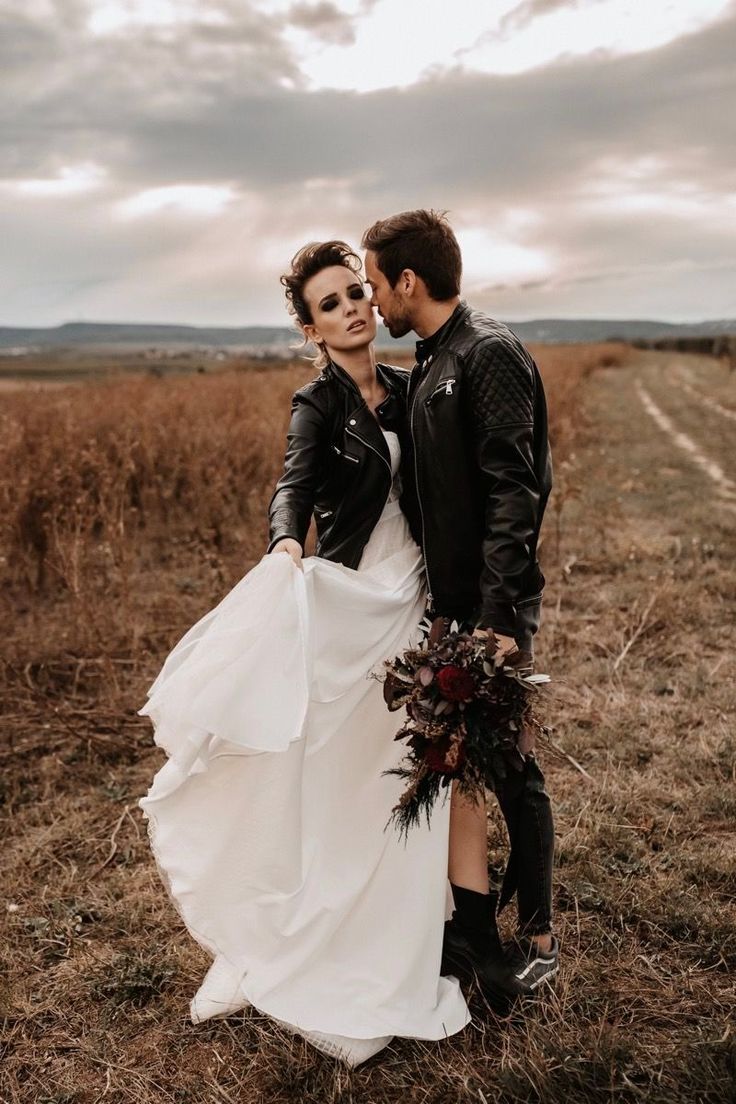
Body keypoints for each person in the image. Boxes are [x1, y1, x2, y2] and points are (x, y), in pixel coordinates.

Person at [138, 240, 469, 1067]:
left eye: (357, 293)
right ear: (311, 329)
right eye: (331, 304)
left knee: (406, 765)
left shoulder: (408, 388)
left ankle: (400, 931)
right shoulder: (316, 402)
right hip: (356, 601)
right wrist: (287, 544)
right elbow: (292, 484)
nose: (354, 308)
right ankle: (311, 935)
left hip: (415, 596)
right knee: (345, 772)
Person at [362, 209, 559, 1007]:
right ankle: (472, 926)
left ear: (409, 280)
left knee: (510, 766)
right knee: (467, 767)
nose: (373, 301)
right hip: (448, 607)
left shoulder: (489, 354)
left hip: (490, 611)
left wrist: (499, 619)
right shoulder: (433, 360)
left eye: (376, 284)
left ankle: (540, 940)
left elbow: (518, 491)